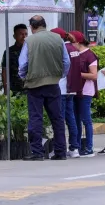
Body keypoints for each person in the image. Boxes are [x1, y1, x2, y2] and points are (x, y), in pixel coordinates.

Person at [19, 16, 70, 161]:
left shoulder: (30, 41)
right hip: (53, 84)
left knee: (36, 118)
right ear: (44, 25)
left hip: (34, 85)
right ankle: (61, 152)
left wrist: (24, 77)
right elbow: (66, 62)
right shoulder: (58, 38)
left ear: (32, 27)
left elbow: (23, 64)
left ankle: (37, 152)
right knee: (57, 118)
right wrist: (60, 75)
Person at [51, 28, 81, 157]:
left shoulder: (61, 48)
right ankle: (74, 148)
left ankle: (60, 148)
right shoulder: (74, 49)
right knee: (71, 119)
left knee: (60, 119)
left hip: (62, 87)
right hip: (72, 88)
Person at [69, 30, 98, 157]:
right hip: (75, 90)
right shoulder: (74, 53)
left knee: (86, 119)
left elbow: (94, 75)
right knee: (76, 120)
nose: (70, 45)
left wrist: (77, 74)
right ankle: (78, 147)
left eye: (71, 42)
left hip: (86, 91)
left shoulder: (90, 55)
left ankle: (89, 148)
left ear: (78, 41)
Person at [1, 23, 28, 94]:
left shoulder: (31, 50)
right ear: (14, 36)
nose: (24, 36)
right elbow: (4, 70)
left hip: (29, 89)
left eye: (26, 34)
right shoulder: (9, 51)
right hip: (14, 89)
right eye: (21, 34)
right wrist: (5, 87)